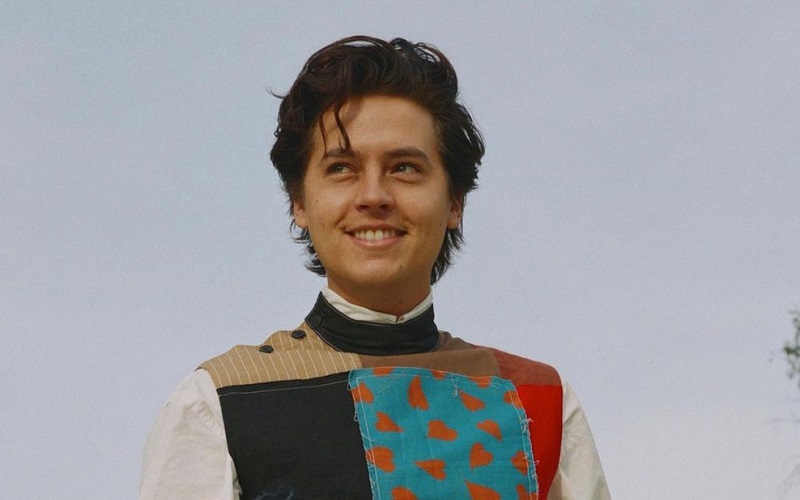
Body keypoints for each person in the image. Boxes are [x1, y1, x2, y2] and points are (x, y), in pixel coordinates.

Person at [139, 35, 610, 500]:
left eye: (404, 167)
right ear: (299, 203)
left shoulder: (539, 398)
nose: (373, 196)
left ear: (454, 202)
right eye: (341, 168)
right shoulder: (220, 401)